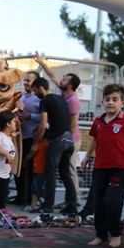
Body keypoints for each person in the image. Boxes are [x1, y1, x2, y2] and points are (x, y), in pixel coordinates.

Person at [81, 84, 124, 248]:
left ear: (122, 103)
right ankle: (101, 235)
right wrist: (87, 157)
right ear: (102, 102)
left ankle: (115, 233)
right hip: (99, 167)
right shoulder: (98, 121)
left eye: (115, 99)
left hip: (119, 168)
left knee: (113, 202)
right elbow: (94, 140)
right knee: (99, 203)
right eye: (107, 99)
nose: (110, 102)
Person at [34, 53, 82, 206]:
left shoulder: (73, 99)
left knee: (69, 170)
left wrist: (66, 139)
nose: (61, 79)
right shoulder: (62, 95)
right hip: (66, 137)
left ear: (70, 85)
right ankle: (70, 203)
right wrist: (42, 62)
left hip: (71, 137)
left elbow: (73, 123)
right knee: (64, 172)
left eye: (65, 79)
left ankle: (74, 201)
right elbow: (52, 74)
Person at [26, 77, 77, 215]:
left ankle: (48, 206)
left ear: (39, 87)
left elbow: (42, 125)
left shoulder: (46, 100)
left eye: (34, 90)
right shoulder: (61, 99)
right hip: (69, 140)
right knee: (66, 174)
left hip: (57, 140)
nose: (35, 93)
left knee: (50, 173)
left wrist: (35, 144)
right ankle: (72, 205)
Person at [13, 70, 40, 206]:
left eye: (28, 80)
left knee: (27, 169)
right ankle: (20, 196)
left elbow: (45, 117)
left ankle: (27, 198)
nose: (25, 83)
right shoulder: (23, 97)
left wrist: (30, 116)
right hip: (19, 138)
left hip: (31, 138)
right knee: (19, 169)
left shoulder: (40, 99)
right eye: (25, 80)